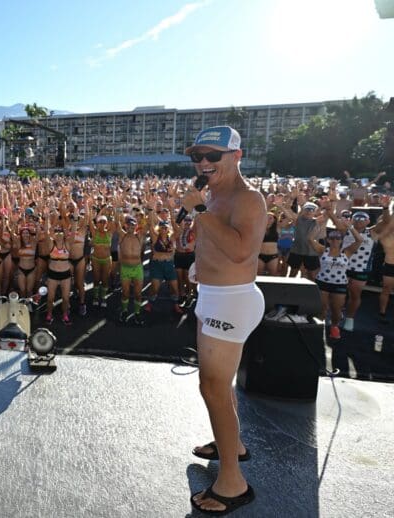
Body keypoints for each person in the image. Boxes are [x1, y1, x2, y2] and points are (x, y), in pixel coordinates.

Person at [181, 126, 266, 515]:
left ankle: (233, 483)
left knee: (213, 387)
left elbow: (240, 251)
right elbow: (214, 243)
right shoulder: (214, 195)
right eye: (197, 155)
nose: (202, 162)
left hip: (230, 303)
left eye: (211, 156)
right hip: (213, 297)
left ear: (236, 156)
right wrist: (200, 266)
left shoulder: (249, 198)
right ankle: (234, 444)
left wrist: (197, 210)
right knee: (219, 384)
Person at [308, 226, 363, 338]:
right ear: (328, 240)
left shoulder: (346, 252)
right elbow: (310, 239)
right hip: (323, 282)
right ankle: (319, 328)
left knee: (336, 310)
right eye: (332, 238)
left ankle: (334, 326)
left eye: (338, 238)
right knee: (322, 307)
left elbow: (360, 240)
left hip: (339, 284)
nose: (335, 240)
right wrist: (318, 225)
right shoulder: (323, 250)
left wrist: (350, 227)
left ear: (341, 240)